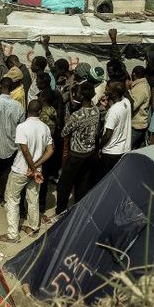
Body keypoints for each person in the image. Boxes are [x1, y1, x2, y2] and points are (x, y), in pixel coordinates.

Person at [0, 100, 54, 243]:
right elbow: (50, 150)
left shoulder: (22, 127)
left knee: (12, 199)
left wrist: (32, 168)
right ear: (40, 112)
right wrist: (36, 167)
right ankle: (33, 227)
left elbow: (24, 150)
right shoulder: (45, 128)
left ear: (27, 111)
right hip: (36, 171)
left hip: (20, 170)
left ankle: (12, 235)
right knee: (33, 198)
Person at [55, 82, 99, 216]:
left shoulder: (77, 115)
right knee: (82, 183)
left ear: (80, 95)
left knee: (64, 185)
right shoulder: (96, 110)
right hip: (90, 152)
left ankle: (61, 212)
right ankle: (79, 209)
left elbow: (64, 132)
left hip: (76, 155)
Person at [0, 77, 25, 207]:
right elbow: (21, 128)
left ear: (1, 86)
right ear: (12, 89)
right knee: (5, 175)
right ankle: (2, 198)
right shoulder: (18, 107)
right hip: (11, 146)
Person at [98, 81, 131, 178]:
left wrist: (99, 146)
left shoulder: (113, 111)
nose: (105, 91)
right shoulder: (126, 102)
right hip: (124, 149)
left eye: (108, 89)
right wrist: (107, 106)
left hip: (111, 152)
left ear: (115, 93)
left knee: (107, 179)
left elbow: (108, 134)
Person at [129, 66, 151, 149]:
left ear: (134, 74)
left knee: (128, 149)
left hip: (136, 125)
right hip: (138, 124)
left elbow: (133, 105)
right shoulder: (141, 85)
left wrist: (127, 91)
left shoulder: (141, 87)